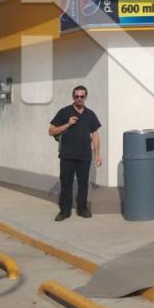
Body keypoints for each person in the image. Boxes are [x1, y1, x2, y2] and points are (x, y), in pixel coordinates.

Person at [48, 85, 102, 221]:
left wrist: (97, 154)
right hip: (67, 155)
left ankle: (82, 209)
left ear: (86, 97)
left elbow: (95, 134)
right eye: (76, 96)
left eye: (82, 96)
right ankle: (64, 211)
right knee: (66, 183)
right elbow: (51, 131)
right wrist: (67, 124)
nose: (79, 99)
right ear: (73, 97)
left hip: (84, 155)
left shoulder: (90, 114)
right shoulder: (64, 112)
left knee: (83, 183)